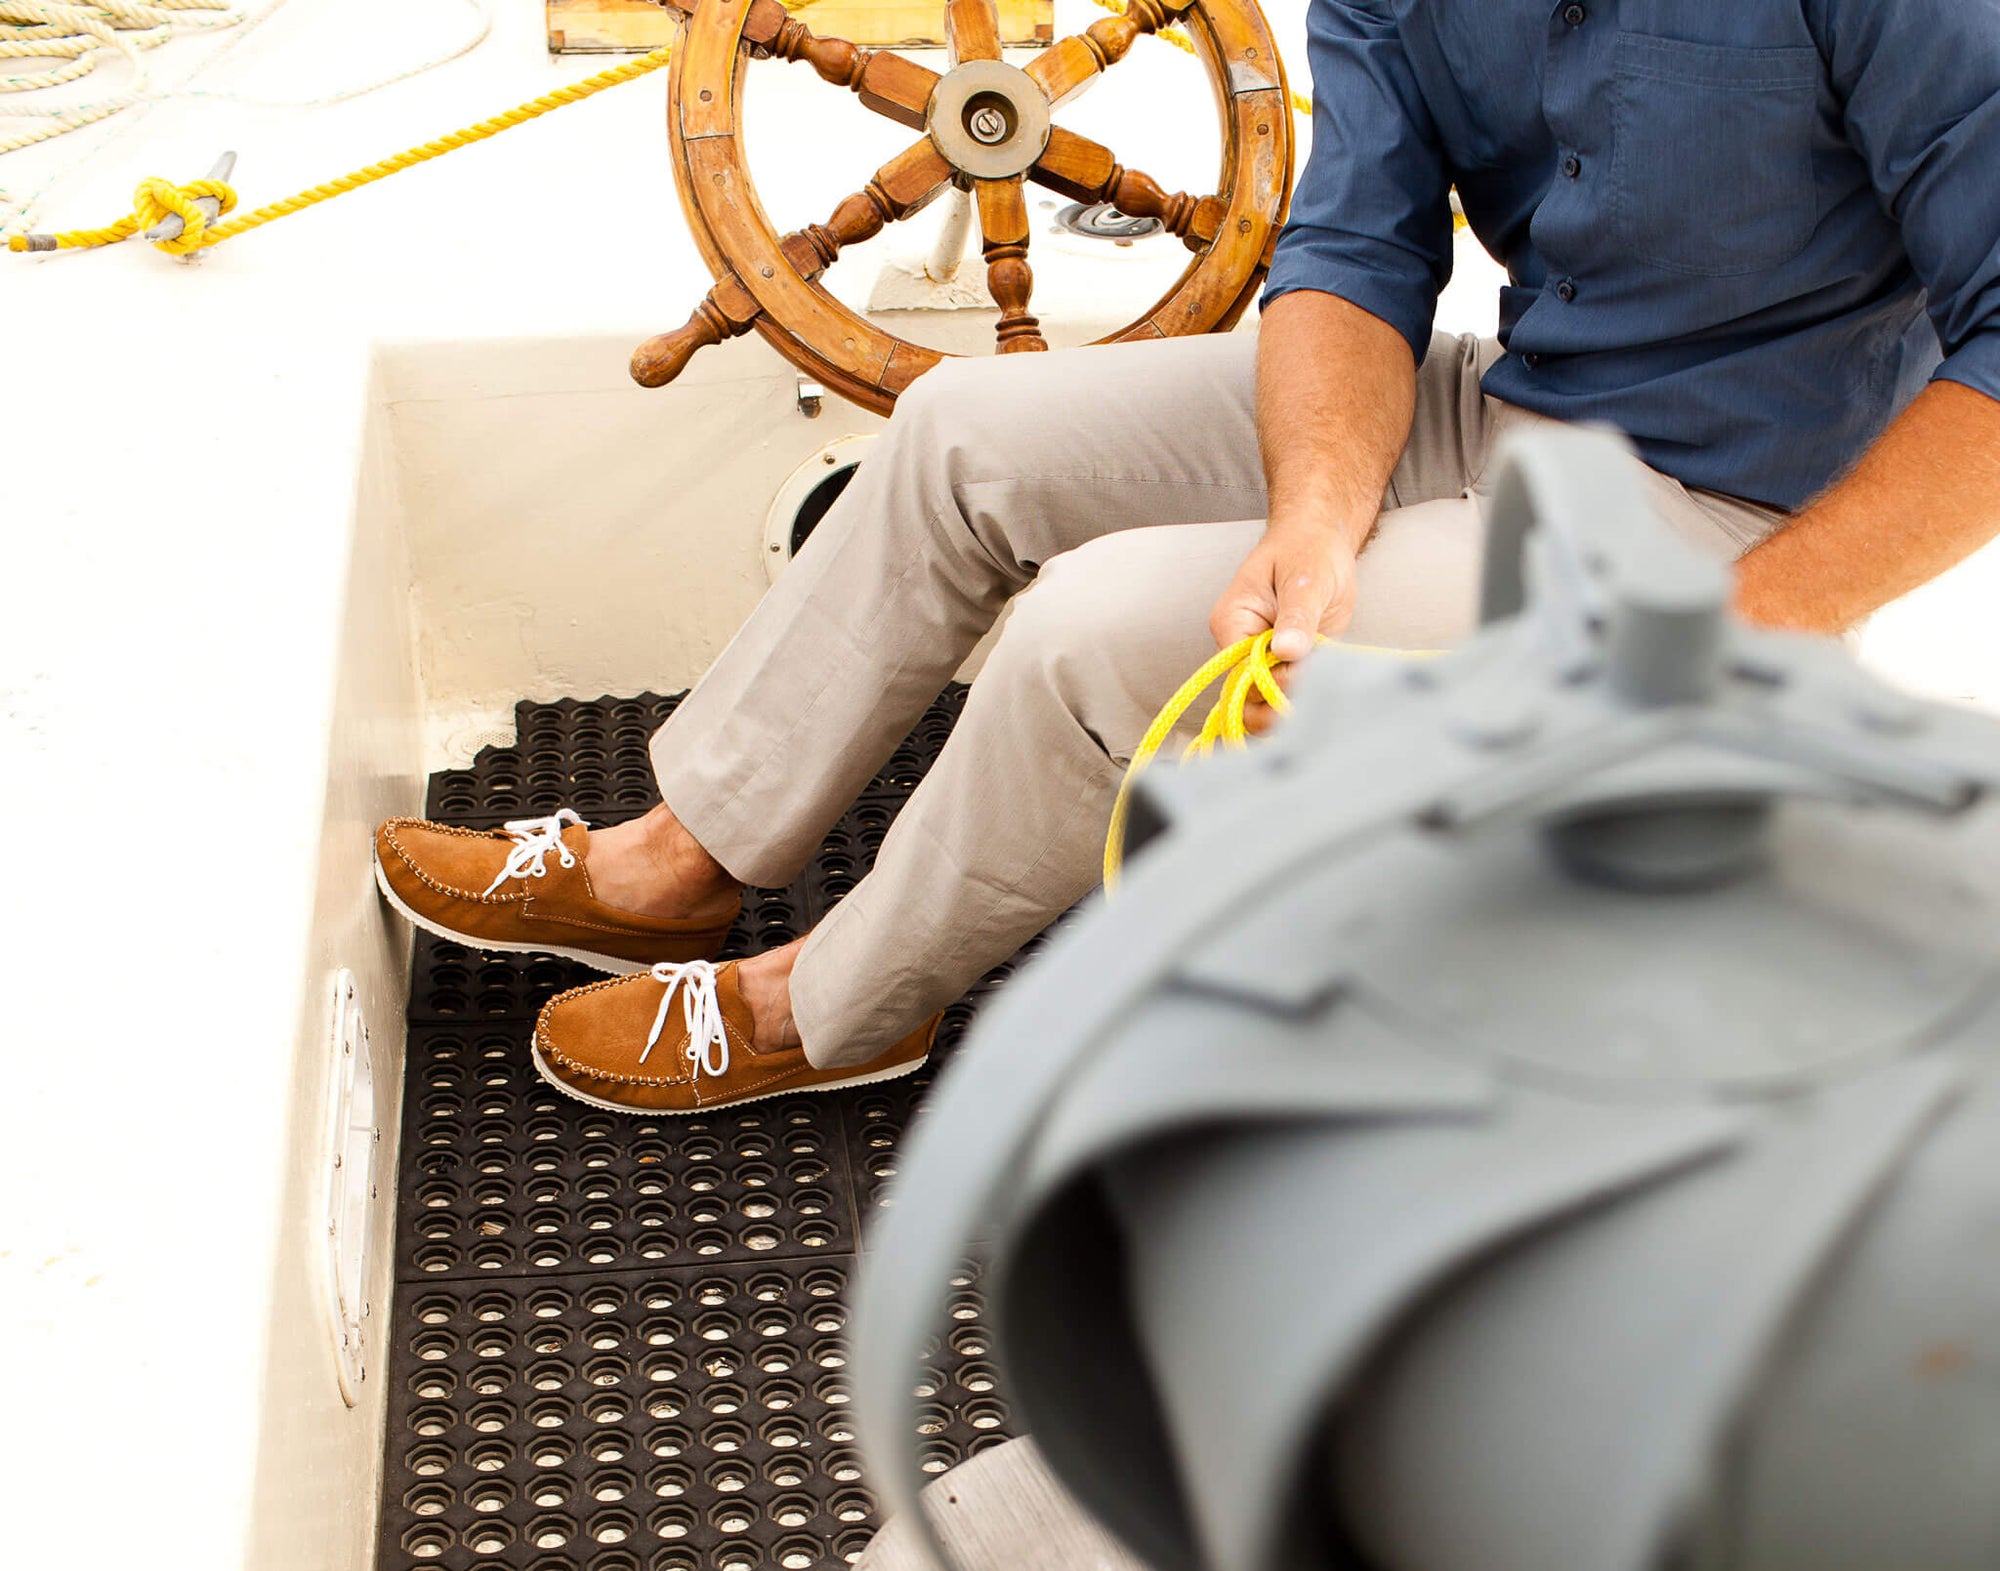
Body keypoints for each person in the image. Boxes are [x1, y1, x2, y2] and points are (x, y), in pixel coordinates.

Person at [376, 0, 2000, 1116]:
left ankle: (833, 1007)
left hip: (1723, 518)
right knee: (963, 436)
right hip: (1521, 390)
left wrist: (1734, 633)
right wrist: (1317, 517)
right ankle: (682, 862)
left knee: (1094, 638)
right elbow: (1356, 251)